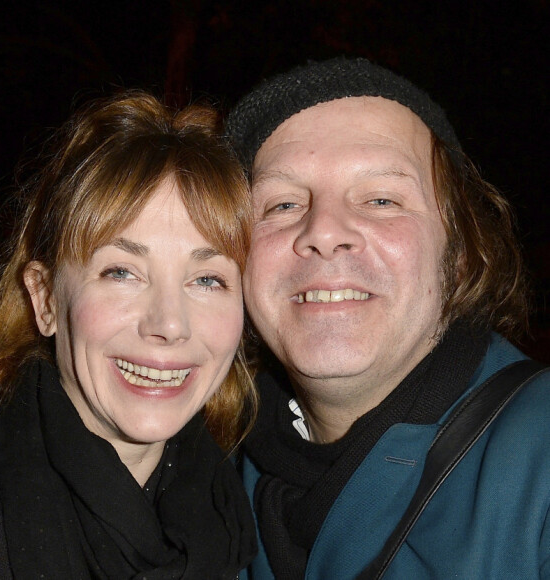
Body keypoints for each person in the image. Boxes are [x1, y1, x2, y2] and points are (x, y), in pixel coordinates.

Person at [226, 57, 550, 579]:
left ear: (461, 250)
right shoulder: (198, 483)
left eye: (381, 198)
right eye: (282, 204)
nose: (324, 231)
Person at [0, 90, 258, 579]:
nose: (168, 324)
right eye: (122, 272)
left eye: (207, 279)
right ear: (44, 300)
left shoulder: (240, 515)